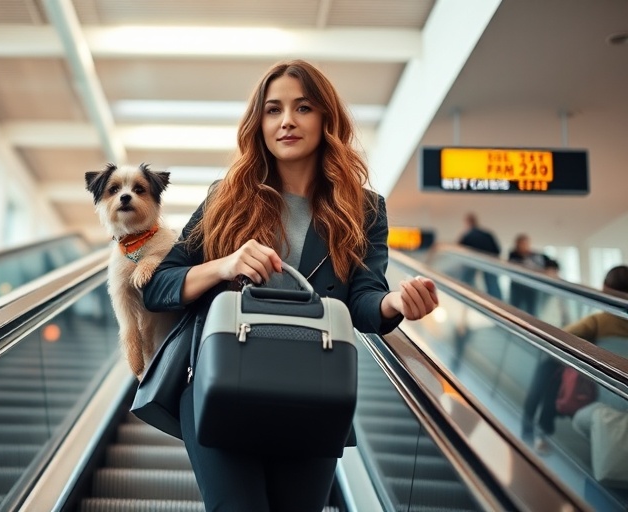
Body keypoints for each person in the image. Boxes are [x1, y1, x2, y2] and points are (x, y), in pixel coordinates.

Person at [142, 60, 439, 511]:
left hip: (313, 394)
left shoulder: (365, 209)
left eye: (303, 108)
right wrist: (225, 266)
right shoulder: (227, 196)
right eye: (273, 109)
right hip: (222, 385)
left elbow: (362, 302)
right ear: (258, 123)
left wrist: (395, 301)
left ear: (325, 119)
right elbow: (159, 285)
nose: (287, 122)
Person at [522, 265, 628, 454]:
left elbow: (562, 337)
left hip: (602, 393)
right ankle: (540, 429)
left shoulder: (599, 321)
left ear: (605, 289)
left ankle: (534, 429)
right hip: (622, 394)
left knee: (550, 365)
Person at [457, 212, 502, 299]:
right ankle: (496, 302)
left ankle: (467, 298)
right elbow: (497, 250)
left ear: (468, 222)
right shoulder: (487, 234)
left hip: (472, 264)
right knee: (492, 286)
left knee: (467, 282)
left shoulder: (468, 235)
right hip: (490, 263)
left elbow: (459, 249)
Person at [507, 234, 551, 315]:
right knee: (515, 310)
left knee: (532, 310)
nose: (524, 246)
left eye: (525, 243)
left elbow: (551, 264)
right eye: (521, 244)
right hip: (517, 286)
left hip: (532, 286)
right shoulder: (513, 255)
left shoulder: (537, 255)